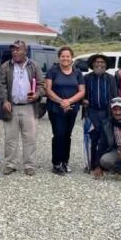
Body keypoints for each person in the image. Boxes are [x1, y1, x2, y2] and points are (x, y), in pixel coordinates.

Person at [0, 40, 45, 176]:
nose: (15, 52)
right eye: (13, 50)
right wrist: (4, 100)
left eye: (18, 49)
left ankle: (29, 165)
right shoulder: (6, 66)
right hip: (11, 107)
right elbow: (0, 85)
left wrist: (36, 94)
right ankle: (10, 164)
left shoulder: (34, 66)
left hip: (29, 107)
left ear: (25, 51)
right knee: (10, 139)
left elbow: (42, 85)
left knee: (30, 138)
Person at [44, 46, 85, 175]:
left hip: (72, 109)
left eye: (68, 56)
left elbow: (82, 91)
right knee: (59, 135)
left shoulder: (77, 73)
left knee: (67, 136)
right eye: (63, 56)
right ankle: (56, 163)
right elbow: (48, 89)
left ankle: (65, 162)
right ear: (59, 57)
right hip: (56, 108)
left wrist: (69, 101)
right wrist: (61, 101)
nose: (65, 58)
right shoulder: (53, 71)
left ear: (71, 58)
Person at [84, 53, 119, 175]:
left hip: (106, 113)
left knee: (107, 138)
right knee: (93, 139)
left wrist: (114, 113)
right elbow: (82, 94)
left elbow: (115, 96)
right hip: (92, 112)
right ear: (93, 64)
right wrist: (83, 100)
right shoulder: (87, 78)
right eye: (97, 62)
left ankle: (105, 165)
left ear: (106, 65)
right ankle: (92, 165)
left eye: (102, 62)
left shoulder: (110, 78)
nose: (99, 64)